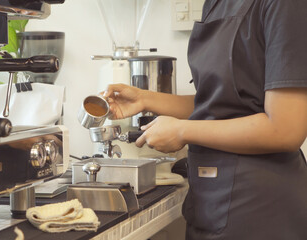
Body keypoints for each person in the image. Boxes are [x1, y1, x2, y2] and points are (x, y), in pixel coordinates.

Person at [102, 0, 307, 239]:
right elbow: (217, 104)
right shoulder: (215, 4)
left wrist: (182, 131)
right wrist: (144, 99)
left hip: (258, 208)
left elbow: (285, 129)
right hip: (209, 200)